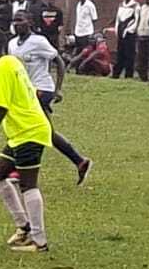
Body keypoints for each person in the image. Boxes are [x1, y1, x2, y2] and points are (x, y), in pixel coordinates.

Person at [0, 33, 54, 252]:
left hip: (29, 130)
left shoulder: (1, 67)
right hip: (21, 133)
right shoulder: (12, 62)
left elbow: (2, 108)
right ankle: (24, 226)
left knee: (28, 184)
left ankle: (39, 241)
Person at [10, 13, 92, 185]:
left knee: (30, 129)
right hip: (25, 92)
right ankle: (80, 161)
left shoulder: (38, 41)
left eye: (20, 20)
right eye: (14, 21)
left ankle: (21, 169)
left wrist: (58, 89)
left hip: (42, 89)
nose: (17, 24)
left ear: (29, 22)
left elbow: (59, 62)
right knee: (46, 131)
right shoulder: (12, 44)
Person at [112, 0, 138, 79]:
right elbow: (118, 19)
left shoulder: (135, 6)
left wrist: (129, 30)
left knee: (129, 55)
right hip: (120, 33)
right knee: (120, 54)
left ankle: (128, 75)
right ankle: (116, 74)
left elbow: (136, 20)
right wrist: (117, 30)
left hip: (130, 34)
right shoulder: (121, 5)